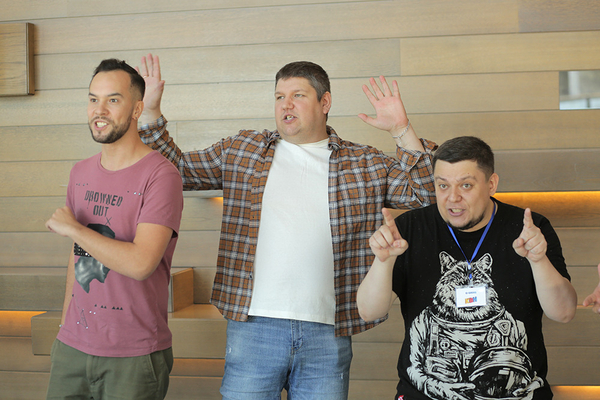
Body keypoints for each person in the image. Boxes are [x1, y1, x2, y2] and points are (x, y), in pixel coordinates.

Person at [136, 53, 436, 400]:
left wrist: (401, 130)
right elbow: (175, 171)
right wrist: (151, 112)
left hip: (328, 331)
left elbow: (426, 194)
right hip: (253, 327)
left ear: (325, 102)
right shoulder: (243, 150)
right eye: (279, 96)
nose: (285, 104)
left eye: (298, 95)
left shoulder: (364, 162)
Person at [357, 136, 577, 400]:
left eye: (466, 185)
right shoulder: (410, 229)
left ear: (491, 184)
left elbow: (564, 313)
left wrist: (539, 260)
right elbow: (369, 312)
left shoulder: (529, 230)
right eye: (443, 185)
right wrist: (383, 261)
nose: (453, 198)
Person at [44, 58, 184, 400]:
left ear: (137, 109)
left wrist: (74, 229)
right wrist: (64, 327)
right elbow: (77, 258)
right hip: (72, 347)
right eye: (93, 99)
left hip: (134, 355)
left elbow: (141, 263)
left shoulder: (161, 176)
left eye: (113, 100)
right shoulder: (80, 172)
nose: (99, 110)